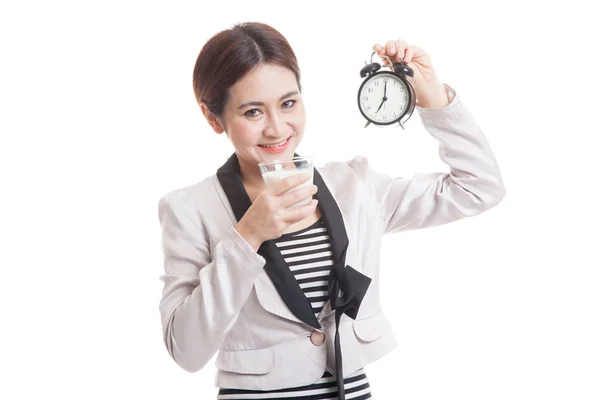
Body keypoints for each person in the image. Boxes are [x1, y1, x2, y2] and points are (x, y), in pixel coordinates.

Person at [157, 21, 505, 400]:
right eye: (253, 112)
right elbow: (185, 351)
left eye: (288, 103)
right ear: (213, 118)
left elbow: (479, 187)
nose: (277, 128)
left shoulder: (353, 187)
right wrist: (248, 235)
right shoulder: (192, 208)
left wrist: (435, 100)